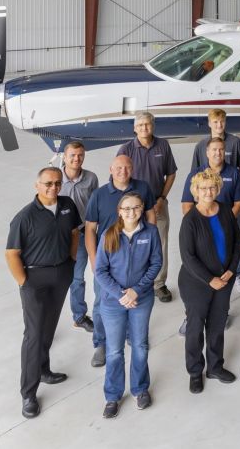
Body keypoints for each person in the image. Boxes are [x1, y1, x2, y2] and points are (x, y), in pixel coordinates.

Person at [5, 167, 81, 419]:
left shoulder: (68, 205)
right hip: (35, 279)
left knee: (48, 328)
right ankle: (28, 393)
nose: (53, 188)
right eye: (48, 183)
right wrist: (24, 282)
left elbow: (74, 233)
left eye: (58, 183)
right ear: (37, 185)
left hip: (61, 274)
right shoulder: (24, 218)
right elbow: (11, 254)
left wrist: (71, 261)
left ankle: (44, 370)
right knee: (34, 334)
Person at [94, 192, 163, 419]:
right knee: (114, 351)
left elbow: (156, 264)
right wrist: (120, 293)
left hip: (141, 300)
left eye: (135, 208)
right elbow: (100, 271)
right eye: (126, 209)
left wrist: (136, 290)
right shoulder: (108, 234)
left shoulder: (151, 233)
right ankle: (112, 395)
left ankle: (140, 388)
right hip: (113, 303)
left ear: (142, 209)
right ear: (119, 212)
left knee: (140, 345)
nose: (131, 212)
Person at [85, 156, 156, 368]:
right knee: (101, 303)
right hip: (108, 261)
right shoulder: (99, 195)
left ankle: (129, 335)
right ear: (111, 169)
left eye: (127, 167)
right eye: (118, 167)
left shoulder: (143, 188)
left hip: (136, 258)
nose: (122, 171)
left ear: (132, 168)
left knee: (134, 302)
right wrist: (93, 258)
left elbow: (151, 215)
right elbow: (90, 228)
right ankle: (101, 342)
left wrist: (149, 242)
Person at [178, 169, 240, 394]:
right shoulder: (190, 220)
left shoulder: (225, 211)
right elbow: (188, 257)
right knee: (195, 329)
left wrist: (231, 270)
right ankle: (195, 372)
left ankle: (215, 367)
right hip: (196, 282)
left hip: (224, 280)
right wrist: (210, 279)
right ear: (195, 191)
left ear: (217, 189)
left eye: (212, 187)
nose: (208, 191)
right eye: (203, 188)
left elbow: (236, 243)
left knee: (216, 325)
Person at [179, 136, 240, 334]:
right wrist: (201, 224)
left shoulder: (233, 173)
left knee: (223, 273)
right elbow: (186, 204)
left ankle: (221, 314)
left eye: (221, 150)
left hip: (224, 226)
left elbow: (238, 204)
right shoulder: (195, 174)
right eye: (213, 150)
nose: (217, 153)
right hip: (201, 231)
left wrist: (223, 219)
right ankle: (191, 317)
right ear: (206, 153)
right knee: (199, 280)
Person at [117, 111, 177, 303]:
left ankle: (159, 284)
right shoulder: (126, 149)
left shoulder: (163, 145)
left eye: (148, 124)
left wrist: (161, 198)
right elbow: (118, 178)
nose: (144, 128)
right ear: (135, 128)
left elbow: (171, 174)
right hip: (132, 210)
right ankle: (137, 284)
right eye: (140, 125)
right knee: (133, 245)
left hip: (158, 205)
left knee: (160, 243)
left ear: (153, 126)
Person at [59, 141, 99, 332]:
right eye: (73, 155)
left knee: (77, 278)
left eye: (80, 155)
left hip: (82, 234)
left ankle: (79, 316)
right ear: (64, 157)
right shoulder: (56, 178)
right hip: (59, 236)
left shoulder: (91, 178)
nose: (77, 159)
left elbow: (94, 207)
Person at [191, 108, 240, 176]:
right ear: (209, 123)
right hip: (209, 186)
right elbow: (195, 173)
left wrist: (237, 184)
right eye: (215, 122)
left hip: (230, 185)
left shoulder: (236, 142)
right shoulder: (200, 146)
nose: (219, 125)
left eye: (222, 121)